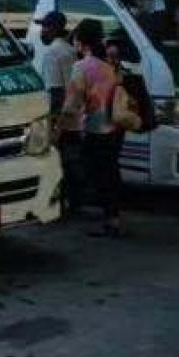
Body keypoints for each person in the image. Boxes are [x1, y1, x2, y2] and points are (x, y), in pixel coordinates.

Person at [62, 19, 125, 238]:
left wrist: (58, 125)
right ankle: (113, 218)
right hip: (115, 126)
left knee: (96, 174)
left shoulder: (81, 67)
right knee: (111, 172)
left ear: (80, 41)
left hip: (95, 129)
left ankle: (109, 221)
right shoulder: (111, 63)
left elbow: (71, 104)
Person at [36, 11, 82, 216]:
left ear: (54, 29)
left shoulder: (52, 54)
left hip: (61, 118)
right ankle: (73, 203)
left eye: (45, 27)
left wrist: (53, 125)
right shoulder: (72, 51)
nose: (42, 31)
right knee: (72, 163)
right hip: (76, 115)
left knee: (57, 164)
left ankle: (60, 206)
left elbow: (55, 92)